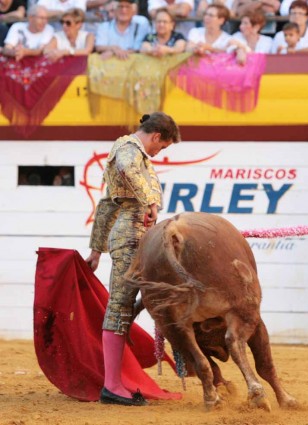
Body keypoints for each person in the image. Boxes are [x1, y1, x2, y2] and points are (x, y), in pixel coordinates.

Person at [85, 112, 181, 406]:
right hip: (130, 235)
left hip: (138, 234)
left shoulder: (133, 152)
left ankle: (118, 380)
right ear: (155, 137)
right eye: (162, 147)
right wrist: (150, 201)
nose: (159, 152)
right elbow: (126, 170)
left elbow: (104, 205)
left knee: (157, 297)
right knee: (120, 305)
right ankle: (112, 385)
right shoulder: (129, 150)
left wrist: (96, 250)